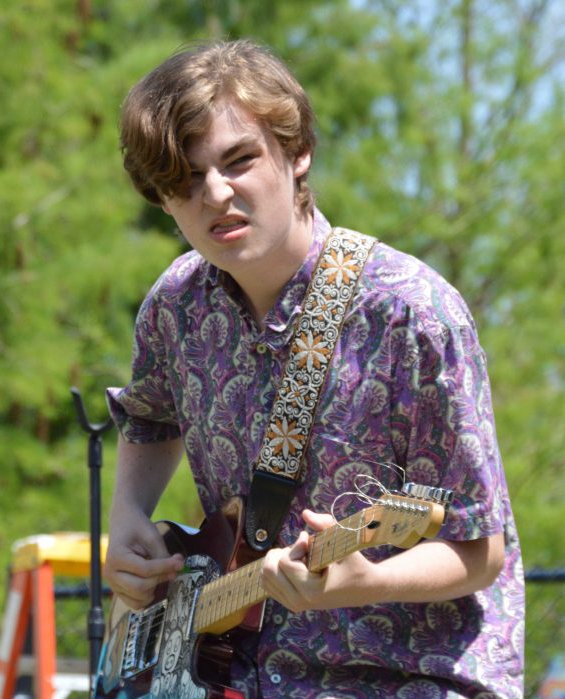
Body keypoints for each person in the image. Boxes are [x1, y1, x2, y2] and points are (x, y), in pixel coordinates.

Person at [103, 39, 524, 697]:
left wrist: (370, 580)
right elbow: (149, 414)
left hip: (405, 677)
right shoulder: (175, 307)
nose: (215, 192)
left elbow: (479, 548)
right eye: (184, 180)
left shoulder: (411, 313)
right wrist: (128, 512)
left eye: (238, 159)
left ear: (297, 154)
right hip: (233, 672)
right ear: (162, 200)